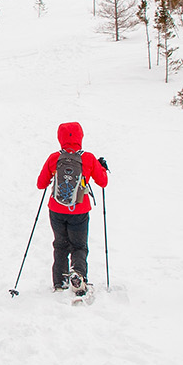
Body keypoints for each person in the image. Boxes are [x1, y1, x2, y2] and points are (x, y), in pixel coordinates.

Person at [36, 121, 109, 295]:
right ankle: (78, 274)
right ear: (80, 136)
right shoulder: (88, 158)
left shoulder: (54, 158)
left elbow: (41, 184)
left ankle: (59, 282)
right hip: (80, 210)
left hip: (56, 209)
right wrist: (102, 168)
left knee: (60, 245)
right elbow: (103, 182)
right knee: (79, 246)